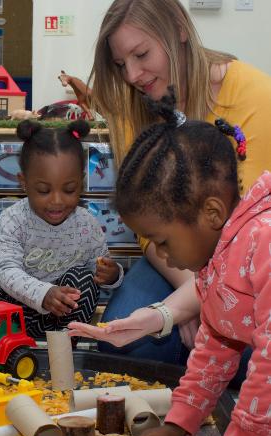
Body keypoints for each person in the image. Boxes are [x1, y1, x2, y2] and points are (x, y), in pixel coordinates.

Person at [65, 0, 271, 368]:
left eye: (141, 54)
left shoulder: (255, 94)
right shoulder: (134, 104)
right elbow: (149, 229)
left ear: (178, 28)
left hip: (250, 262)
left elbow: (243, 238)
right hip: (173, 258)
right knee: (123, 342)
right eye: (120, 64)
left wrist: (187, 304)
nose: (132, 75)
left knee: (247, 351)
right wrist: (186, 294)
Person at [101, 90, 269, 436]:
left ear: (211, 214)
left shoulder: (262, 242)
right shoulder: (218, 258)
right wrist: (181, 422)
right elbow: (215, 349)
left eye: (161, 239)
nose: (159, 252)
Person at [0, 119, 123, 339]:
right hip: (16, 315)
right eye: (43, 190)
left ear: (82, 181)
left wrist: (113, 274)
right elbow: (5, 269)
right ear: (24, 183)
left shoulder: (86, 224)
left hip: (61, 318)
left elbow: (99, 267)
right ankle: (5, 340)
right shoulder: (12, 219)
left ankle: (65, 343)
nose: (57, 201)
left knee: (84, 280)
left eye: (69, 190)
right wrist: (43, 293)